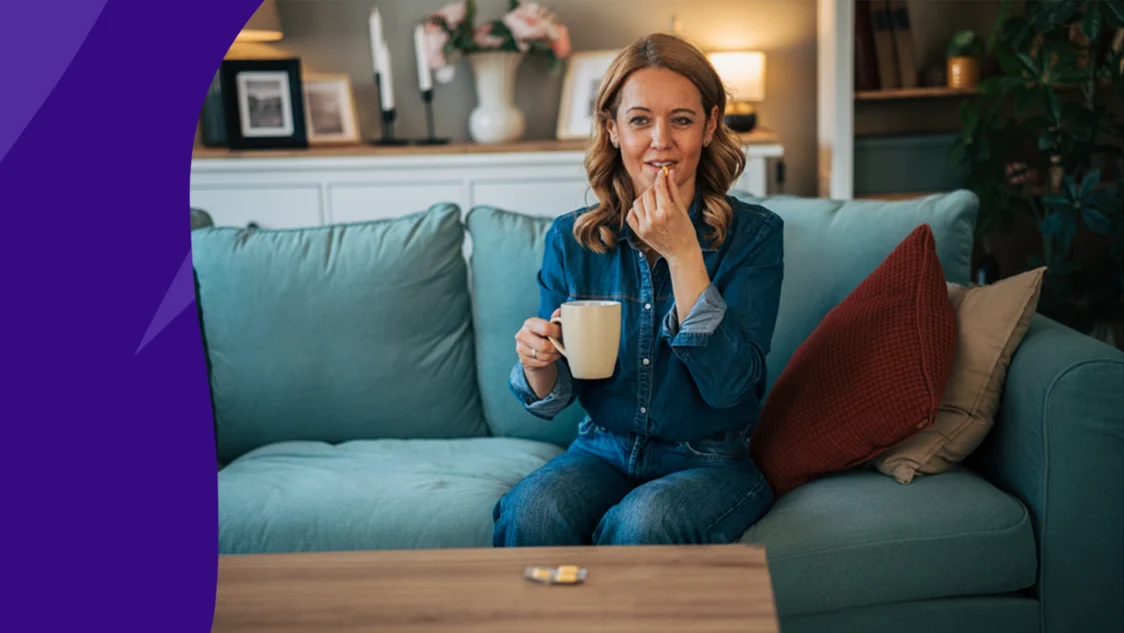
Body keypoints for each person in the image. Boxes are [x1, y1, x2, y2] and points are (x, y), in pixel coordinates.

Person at [493, 32, 784, 547]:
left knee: (643, 524)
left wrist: (683, 254)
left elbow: (730, 387)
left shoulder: (755, 235)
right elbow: (556, 392)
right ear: (612, 129)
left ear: (711, 125)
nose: (660, 140)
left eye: (682, 120)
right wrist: (538, 364)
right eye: (640, 119)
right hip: (601, 449)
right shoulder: (571, 239)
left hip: (711, 461)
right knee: (530, 512)